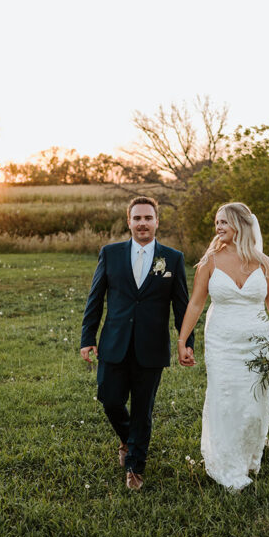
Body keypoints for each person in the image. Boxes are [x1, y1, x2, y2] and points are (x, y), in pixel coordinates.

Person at [80, 196, 195, 491]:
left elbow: (182, 306)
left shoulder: (173, 258)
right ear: (128, 222)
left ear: (157, 222)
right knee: (110, 399)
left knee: (143, 409)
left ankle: (134, 467)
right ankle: (128, 440)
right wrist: (87, 337)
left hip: (151, 346)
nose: (142, 223)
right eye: (137, 218)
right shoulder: (111, 253)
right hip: (114, 342)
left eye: (148, 218)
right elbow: (95, 299)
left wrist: (186, 342)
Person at [177, 202, 269, 491]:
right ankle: (227, 464)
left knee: (253, 404)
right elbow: (196, 303)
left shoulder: (264, 263)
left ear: (241, 224)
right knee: (225, 400)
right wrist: (182, 340)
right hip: (222, 343)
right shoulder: (210, 261)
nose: (218, 227)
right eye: (217, 222)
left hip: (257, 342)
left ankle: (250, 456)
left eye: (224, 222)